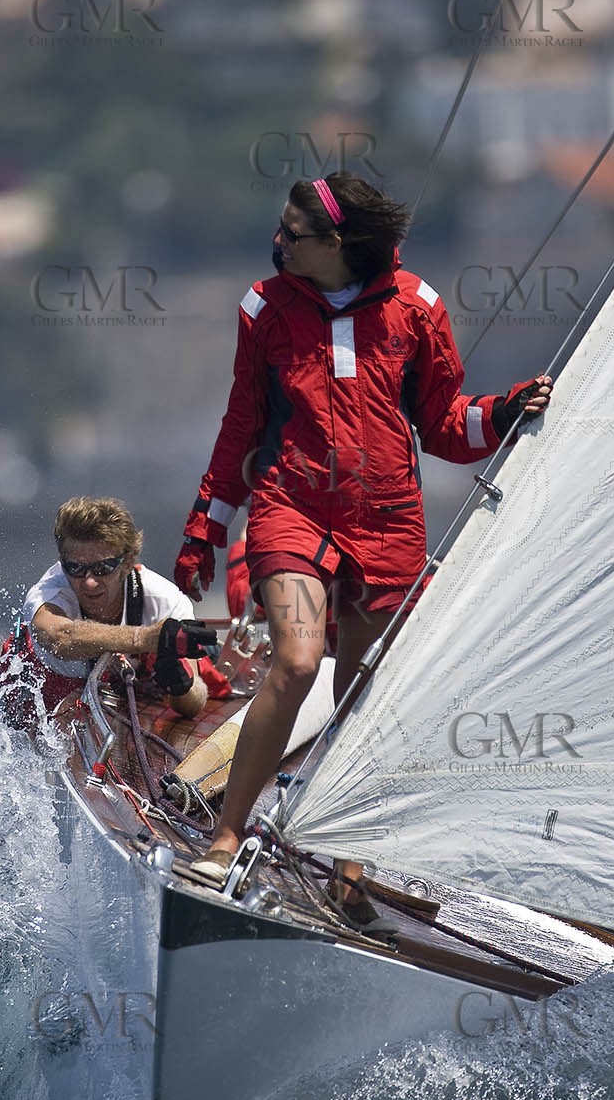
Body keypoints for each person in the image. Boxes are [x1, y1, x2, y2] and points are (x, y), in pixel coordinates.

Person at [174, 173, 552, 893]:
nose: (277, 241)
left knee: (360, 694)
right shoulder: (264, 307)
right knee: (296, 661)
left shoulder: (418, 308)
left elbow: (443, 424)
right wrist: (207, 527)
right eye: (279, 227)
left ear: (336, 244)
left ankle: (348, 872)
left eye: (292, 233)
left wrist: (503, 411)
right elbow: (241, 424)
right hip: (292, 505)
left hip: (386, 522)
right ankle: (225, 836)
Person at [0, 495, 216, 730]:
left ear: (127, 561)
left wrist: (180, 685)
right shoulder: (48, 593)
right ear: (63, 564)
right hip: (47, 687)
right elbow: (60, 638)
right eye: (75, 568)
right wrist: (146, 639)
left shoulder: (166, 601)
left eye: (103, 568)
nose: (89, 582)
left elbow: (194, 703)